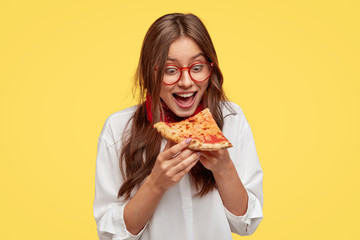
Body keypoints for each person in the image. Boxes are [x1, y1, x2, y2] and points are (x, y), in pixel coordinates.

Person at [93, 13, 263, 240]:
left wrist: (224, 168)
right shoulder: (118, 128)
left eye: (197, 67)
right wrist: (156, 184)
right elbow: (109, 234)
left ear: (210, 68)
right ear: (149, 72)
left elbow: (246, 224)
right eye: (170, 70)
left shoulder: (232, 119)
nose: (185, 81)